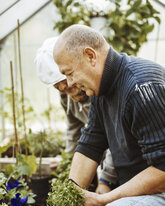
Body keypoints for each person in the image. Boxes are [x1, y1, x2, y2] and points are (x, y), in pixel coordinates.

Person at [40, 24, 165, 206]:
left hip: (161, 189)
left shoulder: (141, 86)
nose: (69, 84)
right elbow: (89, 145)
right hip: (142, 189)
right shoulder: (101, 91)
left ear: (90, 56)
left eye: (69, 73)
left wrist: (101, 200)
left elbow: (163, 171)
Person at [35, 37, 117, 194]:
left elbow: (116, 140)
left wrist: (106, 179)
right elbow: (74, 130)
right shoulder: (66, 96)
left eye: (65, 82)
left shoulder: (99, 90)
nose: (66, 89)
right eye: (58, 87)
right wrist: (68, 163)